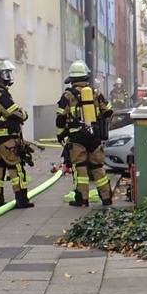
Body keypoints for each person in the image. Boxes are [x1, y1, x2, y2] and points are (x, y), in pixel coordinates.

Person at [56, 60, 114, 207]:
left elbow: (60, 118)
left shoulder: (67, 95)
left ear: (72, 79)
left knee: (80, 166)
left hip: (77, 137)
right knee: (97, 167)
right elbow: (108, 110)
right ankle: (106, 198)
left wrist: (60, 134)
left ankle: (82, 199)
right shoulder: (95, 92)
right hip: (94, 135)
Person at [0, 60, 34, 209]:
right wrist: (24, 114)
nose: (8, 77)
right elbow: (13, 112)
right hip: (6, 139)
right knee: (16, 168)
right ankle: (21, 199)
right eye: (6, 73)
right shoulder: (1, 93)